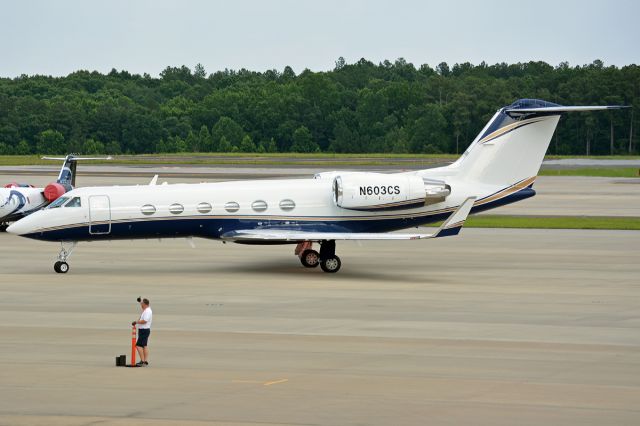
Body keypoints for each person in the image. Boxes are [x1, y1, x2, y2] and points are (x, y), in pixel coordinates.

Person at [132, 298, 152, 366]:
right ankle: (145, 361)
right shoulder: (146, 309)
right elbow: (143, 304)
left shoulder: (147, 311)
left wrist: (136, 322)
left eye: (142, 304)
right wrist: (140, 301)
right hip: (144, 330)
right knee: (144, 346)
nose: (141, 305)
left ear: (144, 304)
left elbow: (144, 321)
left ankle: (142, 361)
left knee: (138, 346)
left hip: (144, 330)